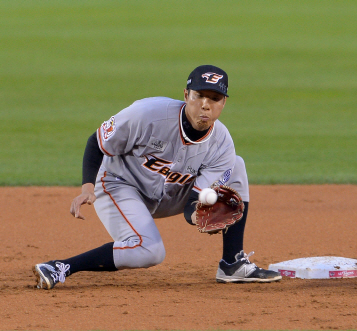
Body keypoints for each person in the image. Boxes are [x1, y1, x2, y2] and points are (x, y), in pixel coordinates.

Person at [33, 65, 281, 290]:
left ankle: (232, 264)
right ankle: (60, 267)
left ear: (223, 103)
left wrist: (198, 215)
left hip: (170, 193)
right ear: (186, 95)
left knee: (236, 165)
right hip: (118, 185)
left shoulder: (222, 144)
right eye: (199, 96)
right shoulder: (148, 114)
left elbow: (192, 202)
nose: (205, 105)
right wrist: (88, 187)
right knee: (150, 251)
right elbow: (96, 142)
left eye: (214, 99)